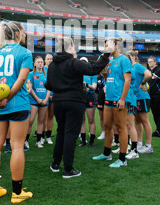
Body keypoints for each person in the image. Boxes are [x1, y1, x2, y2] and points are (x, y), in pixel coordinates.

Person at [46, 38, 111, 178]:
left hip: (58, 101)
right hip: (73, 101)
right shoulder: (73, 62)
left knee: (61, 132)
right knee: (70, 134)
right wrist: (106, 54)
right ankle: (68, 169)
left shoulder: (52, 65)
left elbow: (49, 85)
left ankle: (55, 164)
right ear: (69, 46)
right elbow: (93, 69)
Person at [0, 21, 33, 203]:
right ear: (17, 34)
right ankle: (17, 192)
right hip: (18, 104)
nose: (26, 35)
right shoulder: (25, 53)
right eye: (24, 32)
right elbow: (21, 79)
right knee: (17, 146)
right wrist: (8, 97)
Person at [92, 39, 131, 168]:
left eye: (108, 46)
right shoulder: (110, 61)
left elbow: (127, 80)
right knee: (107, 126)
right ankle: (107, 153)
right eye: (105, 47)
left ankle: (122, 159)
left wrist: (122, 99)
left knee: (121, 128)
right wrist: (104, 77)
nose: (107, 48)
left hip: (118, 100)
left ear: (115, 46)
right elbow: (109, 79)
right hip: (108, 99)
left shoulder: (124, 59)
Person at [124, 50, 152, 159]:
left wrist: (143, 83)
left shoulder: (138, 66)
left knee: (145, 121)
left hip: (142, 97)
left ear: (134, 57)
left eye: (129, 57)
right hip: (135, 97)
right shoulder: (131, 68)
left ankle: (149, 145)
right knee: (137, 122)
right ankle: (139, 143)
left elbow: (148, 74)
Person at [27, 56, 50, 149]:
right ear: (35, 64)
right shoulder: (31, 74)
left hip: (44, 101)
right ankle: (26, 140)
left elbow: (49, 88)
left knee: (41, 121)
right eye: (38, 62)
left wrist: (46, 99)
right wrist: (37, 99)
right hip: (34, 101)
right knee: (30, 121)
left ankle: (38, 141)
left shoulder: (46, 75)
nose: (40, 63)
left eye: (41, 62)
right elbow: (30, 88)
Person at [79, 57, 98, 147]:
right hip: (80, 97)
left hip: (89, 96)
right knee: (81, 119)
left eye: (84, 62)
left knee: (91, 119)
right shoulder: (77, 73)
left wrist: (86, 85)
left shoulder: (91, 73)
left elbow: (94, 87)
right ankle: (83, 140)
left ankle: (92, 140)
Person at [43, 53, 54, 145]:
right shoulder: (42, 70)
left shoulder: (55, 69)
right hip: (44, 96)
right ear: (45, 60)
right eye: (48, 59)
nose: (50, 60)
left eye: (51, 59)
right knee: (43, 117)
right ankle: (41, 136)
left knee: (51, 116)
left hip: (54, 96)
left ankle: (49, 136)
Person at [96, 74, 106, 140]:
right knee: (101, 116)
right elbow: (96, 88)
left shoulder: (110, 75)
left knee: (111, 117)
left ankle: (114, 134)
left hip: (109, 98)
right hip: (100, 98)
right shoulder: (98, 77)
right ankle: (103, 132)